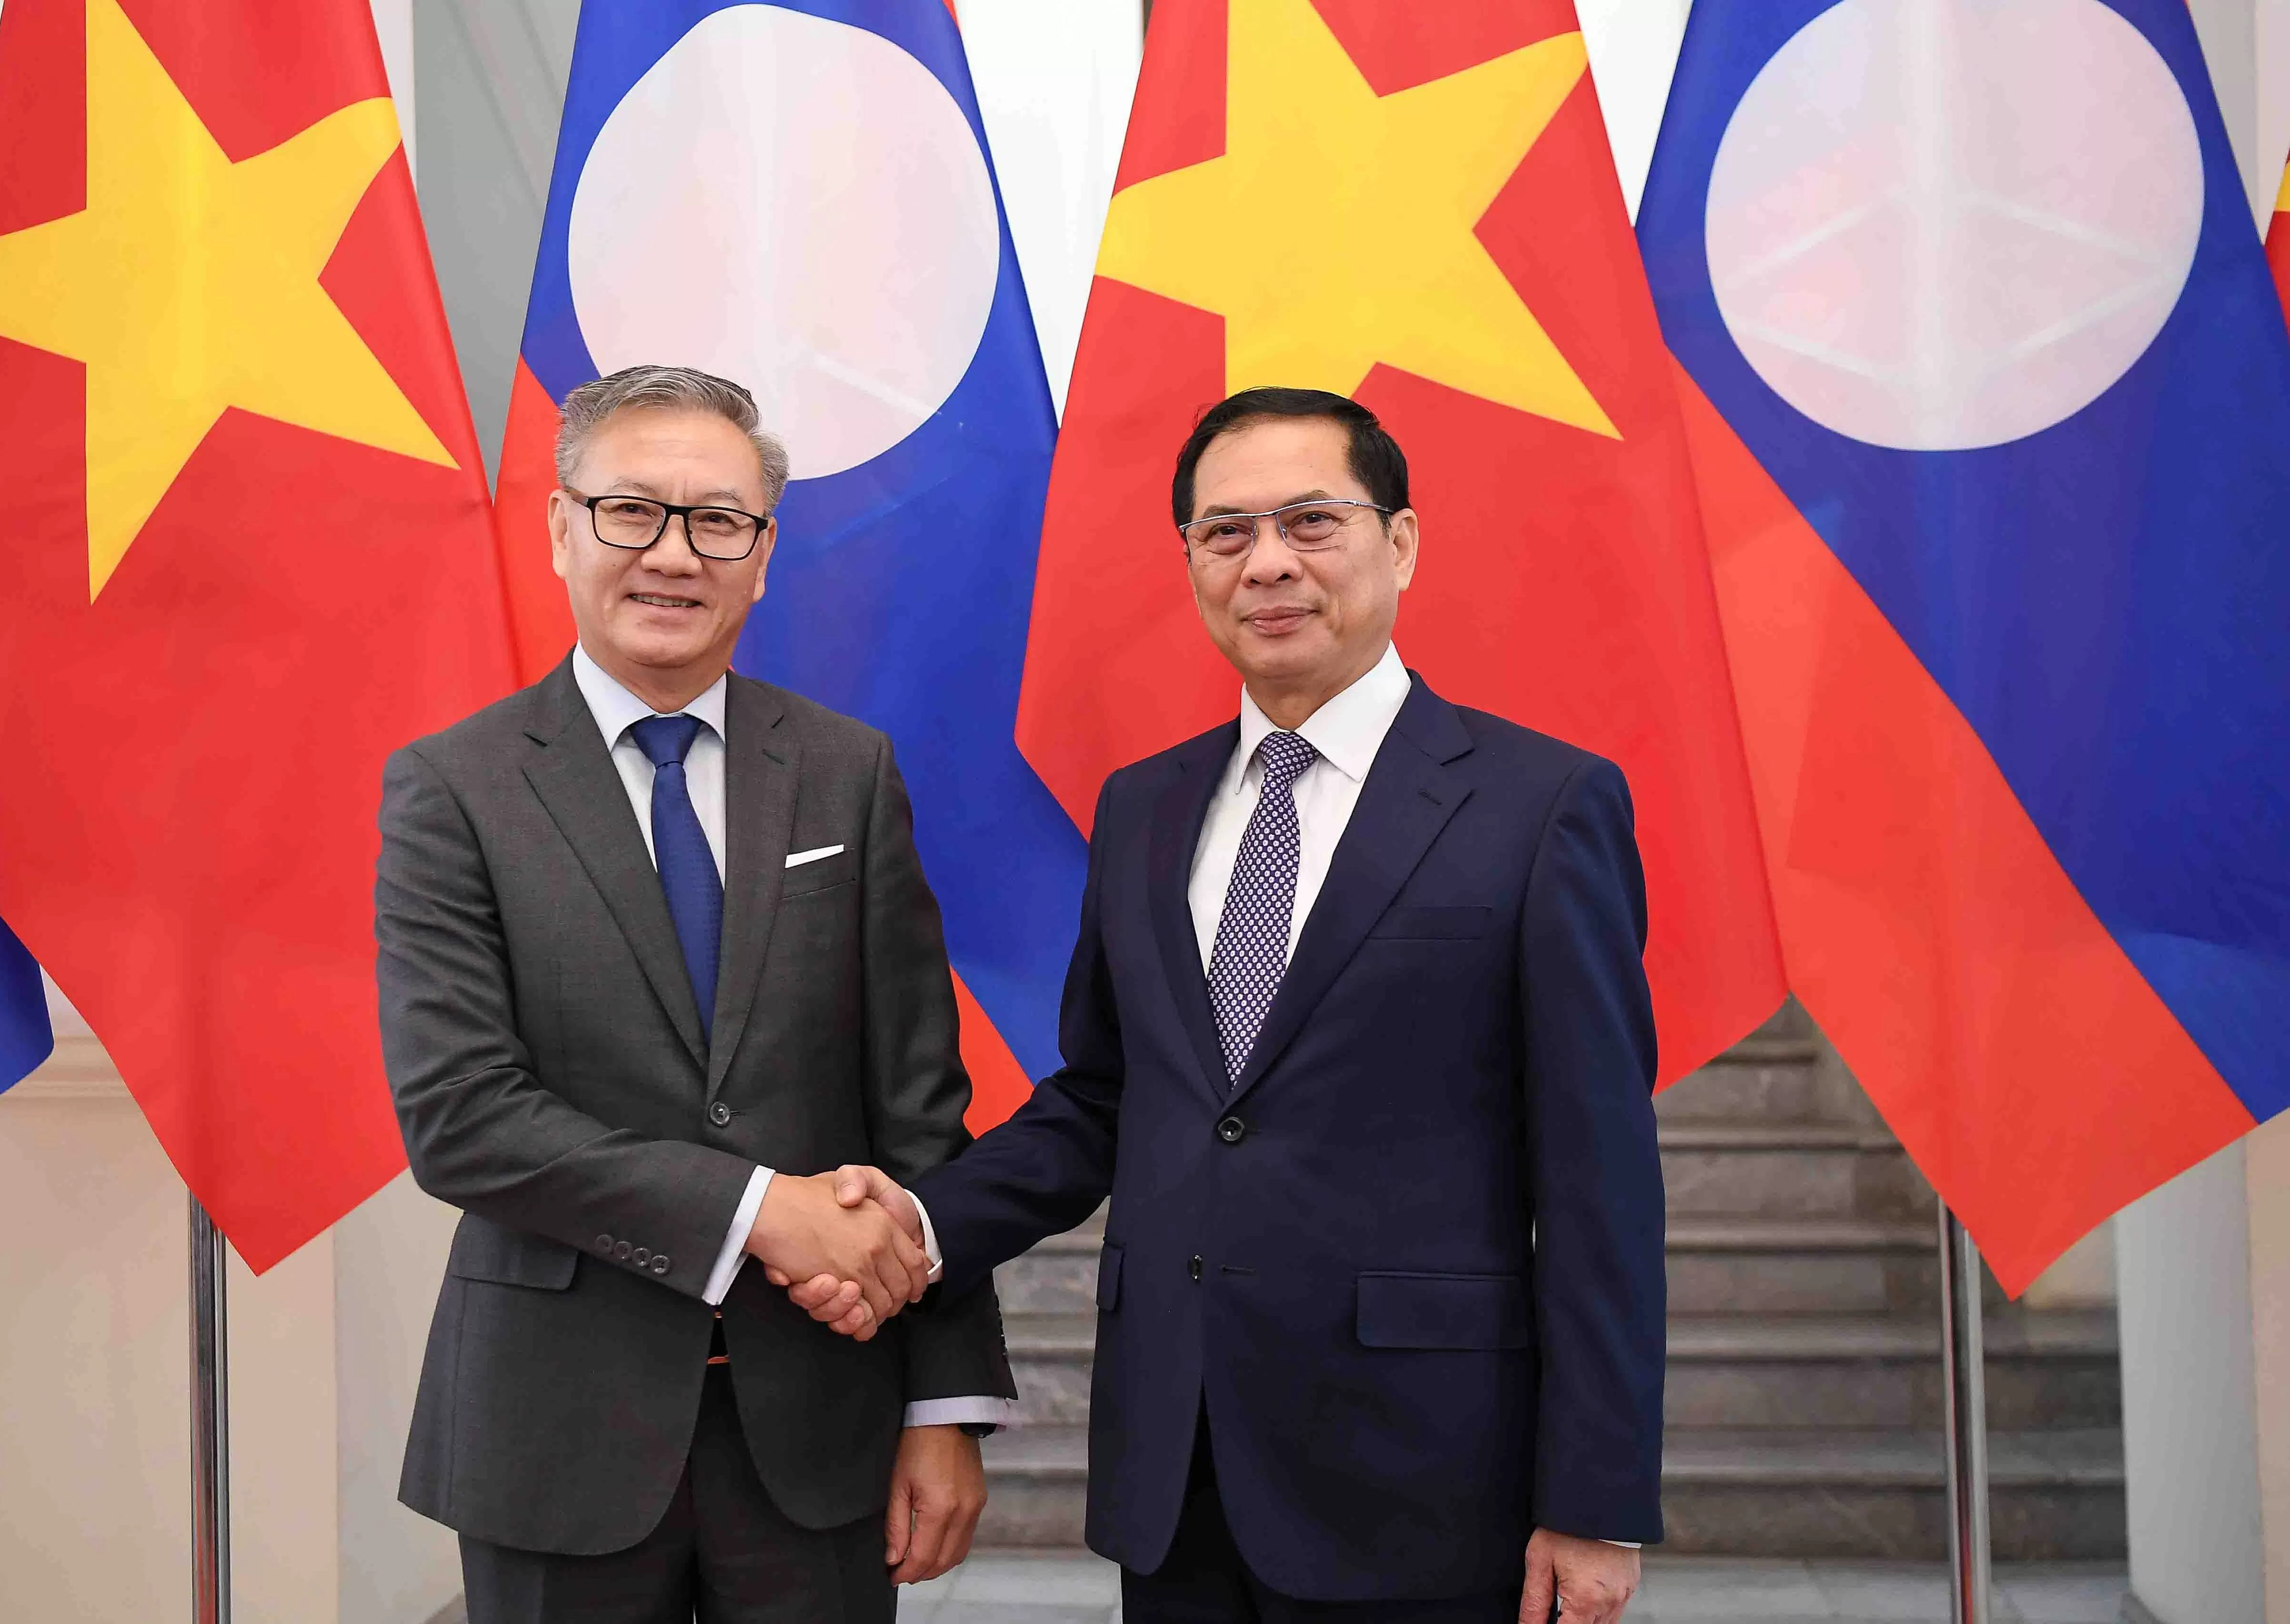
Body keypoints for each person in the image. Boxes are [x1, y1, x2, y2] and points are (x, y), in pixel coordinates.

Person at [781, 388, 1665, 1622]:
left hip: (1424, 1479)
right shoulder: (1144, 807)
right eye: (1225, 532)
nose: (1268, 563)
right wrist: (916, 1230)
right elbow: (1101, 1099)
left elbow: (1600, 1177)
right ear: (1190, 559)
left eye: (1311, 521)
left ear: (1399, 543)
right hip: (1176, 1472)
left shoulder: (1539, 805)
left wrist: (1596, 1495)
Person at [376, 364, 1013, 1624]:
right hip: (553, 1431)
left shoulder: (844, 774)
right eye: (632, 510)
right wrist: (762, 1210)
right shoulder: (453, 789)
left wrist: (946, 1402)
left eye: (717, 520)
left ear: (762, 556)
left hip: (823, 1431)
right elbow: (461, 1116)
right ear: (561, 529)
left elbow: (920, 1110)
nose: (672, 553)